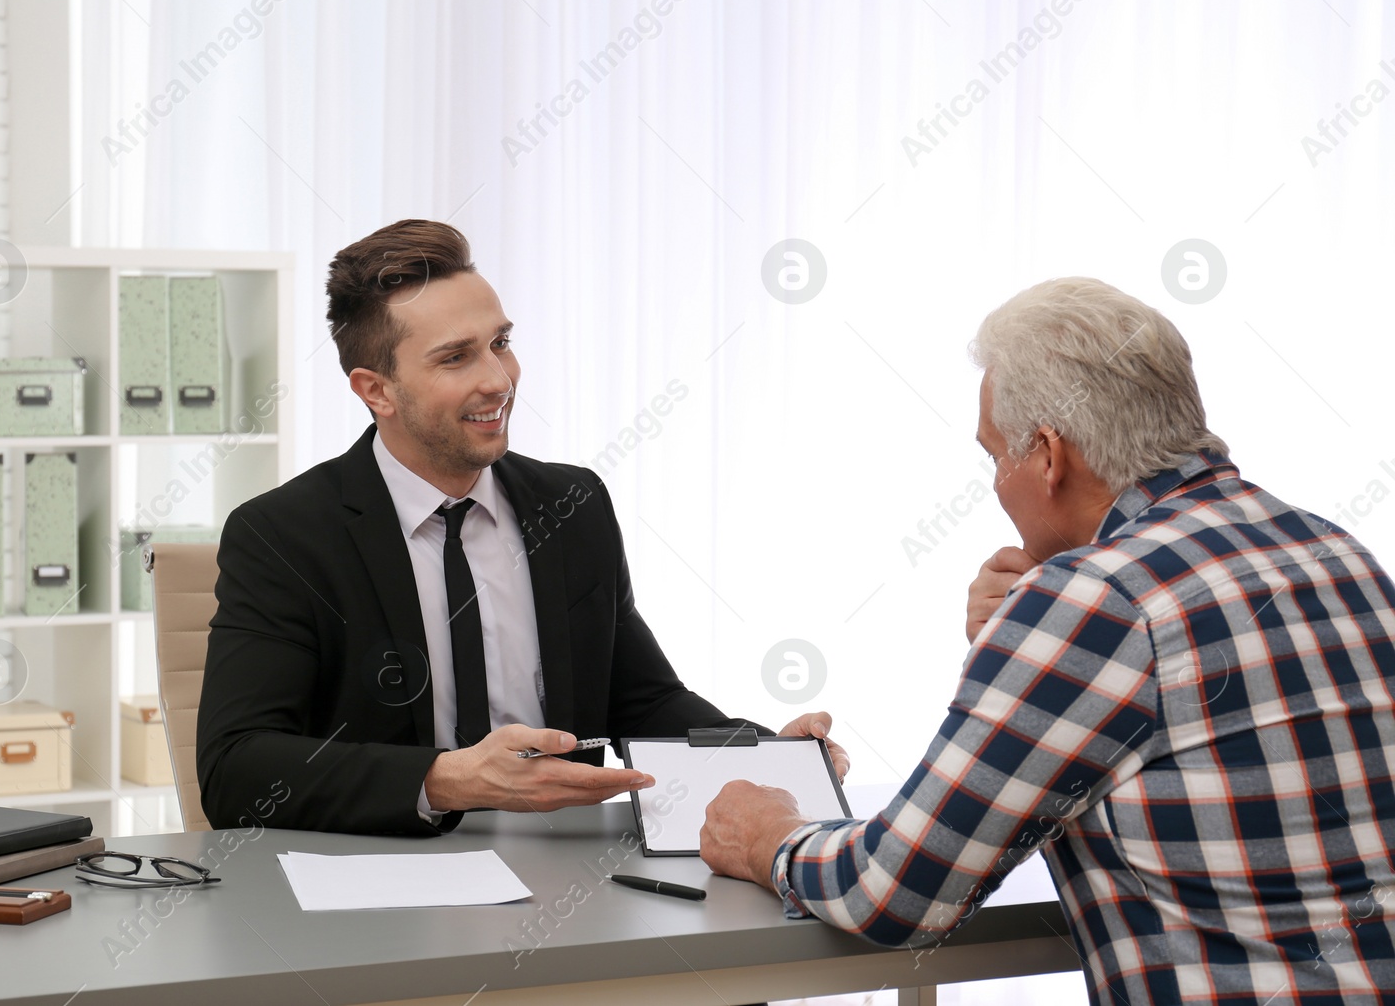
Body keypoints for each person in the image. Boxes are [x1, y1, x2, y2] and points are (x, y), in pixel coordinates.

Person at [701, 278, 1395, 1004]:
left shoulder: (1096, 599)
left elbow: (897, 891)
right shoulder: (1333, 549)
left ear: (1049, 455)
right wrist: (1027, 641)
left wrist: (770, 835)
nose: (997, 483)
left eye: (995, 455)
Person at [197, 219, 847, 836]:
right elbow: (236, 768)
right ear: (377, 390)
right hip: (379, 882)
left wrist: (767, 758)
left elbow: (642, 700)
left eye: (500, 343)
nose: (498, 380)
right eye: (456, 358)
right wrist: (450, 779)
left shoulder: (572, 503)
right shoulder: (282, 536)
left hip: (567, 874)